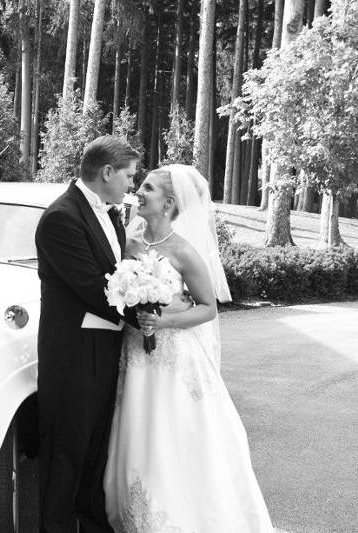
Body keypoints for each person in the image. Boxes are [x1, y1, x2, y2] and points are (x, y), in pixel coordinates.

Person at [104, 164, 274, 532]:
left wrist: (161, 321)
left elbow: (208, 307)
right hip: (135, 355)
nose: (139, 191)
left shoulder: (183, 251)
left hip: (174, 359)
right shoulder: (128, 242)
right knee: (138, 431)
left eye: (147, 188)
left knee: (174, 435)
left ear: (167, 203)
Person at [35, 135, 140, 533]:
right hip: (75, 355)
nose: (131, 185)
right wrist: (150, 314)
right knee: (67, 451)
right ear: (106, 172)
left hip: (104, 347)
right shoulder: (62, 217)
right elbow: (93, 288)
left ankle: (88, 522)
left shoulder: (110, 213)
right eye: (128, 176)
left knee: (95, 448)